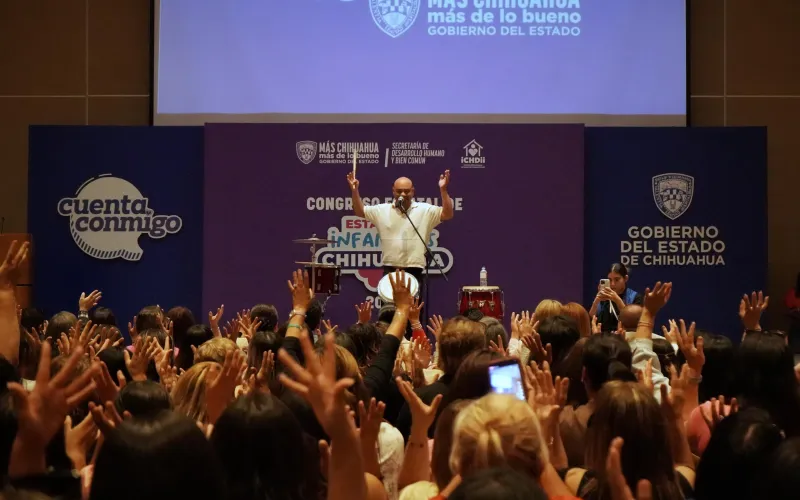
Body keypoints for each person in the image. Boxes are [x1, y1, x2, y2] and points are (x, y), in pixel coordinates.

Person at [347, 170, 454, 287]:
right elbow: (360, 211)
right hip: (390, 268)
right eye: (399, 191)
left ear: (413, 191)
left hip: (415, 269)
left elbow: (447, 214)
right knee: (389, 300)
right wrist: (354, 191)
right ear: (393, 191)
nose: (403, 194)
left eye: (406, 191)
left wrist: (443, 190)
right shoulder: (382, 210)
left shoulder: (424, 210)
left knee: (413, 300)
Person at [588, 263, 642, 332]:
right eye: (610, 280)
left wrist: (617, 300)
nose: (612, 284)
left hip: (625, 337)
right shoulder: (604, 297)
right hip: (604, 336)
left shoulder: (635, 297)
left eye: (617, 279)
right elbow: (591, 318)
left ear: (625, 278)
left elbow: (633, 322)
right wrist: (596, 301)